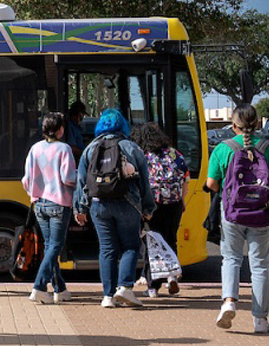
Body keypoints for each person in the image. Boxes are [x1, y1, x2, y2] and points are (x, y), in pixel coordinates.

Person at [207, 104, 269, 333]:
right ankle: (260, 321)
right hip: (261, 213)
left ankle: (229, 301)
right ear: (258, 124)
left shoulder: (223, 149)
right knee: (260, 266)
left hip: (232, 213)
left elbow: (212, 184)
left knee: (231, 259)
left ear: (233, 126)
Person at [73, 108, 155, 308]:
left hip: (99, 205)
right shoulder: (131, 147)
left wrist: (80, 209)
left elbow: (82, 181)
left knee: (107, 249)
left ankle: (107, 296)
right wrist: (148, 208)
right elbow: (145, 181)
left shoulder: (90, 149)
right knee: (130, 246)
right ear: (122, 125)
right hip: (127, 203)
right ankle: (125, 288)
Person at [22, 112, 76, 304]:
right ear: (60, 129)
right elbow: (68, 178)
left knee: (50, 246)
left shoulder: (35, 149)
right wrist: (82, 177)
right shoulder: (64, 149)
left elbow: (26, 180)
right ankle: (39, 286)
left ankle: (59, 289)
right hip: (59, 203)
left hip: (39, 204)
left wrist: (34, 193)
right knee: (55, 247)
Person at [131, 123, 189, 298]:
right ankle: (172, 276)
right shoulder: (175, 154)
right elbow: (186, 179)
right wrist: (183, 201)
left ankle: (153, 287)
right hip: (175, 203)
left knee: (153, 242)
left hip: (153, 204)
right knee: (171, 238)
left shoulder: (144, 156)